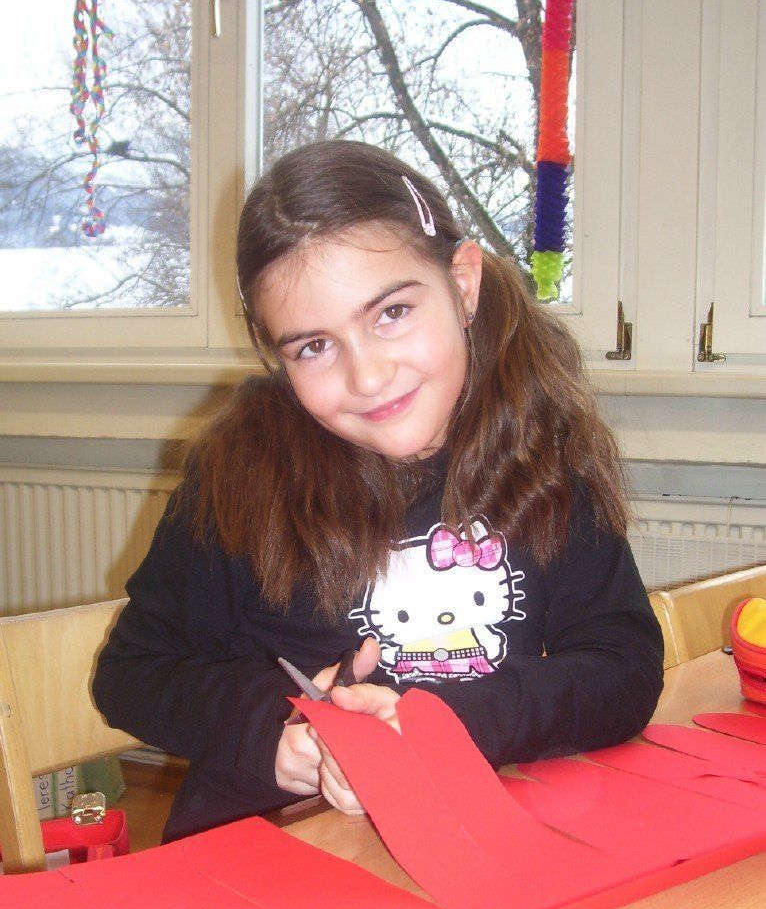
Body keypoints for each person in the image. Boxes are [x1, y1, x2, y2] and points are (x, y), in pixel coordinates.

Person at [93, 140, 663, 842]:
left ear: (462, 283)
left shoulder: (544, 453)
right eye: (313, 346)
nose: (366, 377)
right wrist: (273, 729)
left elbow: (624, 669)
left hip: (465, 839)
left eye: (391, 313)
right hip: (265, 853)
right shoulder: (237, 475)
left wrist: (446, 724)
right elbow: (130, 673)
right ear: (276, 355)